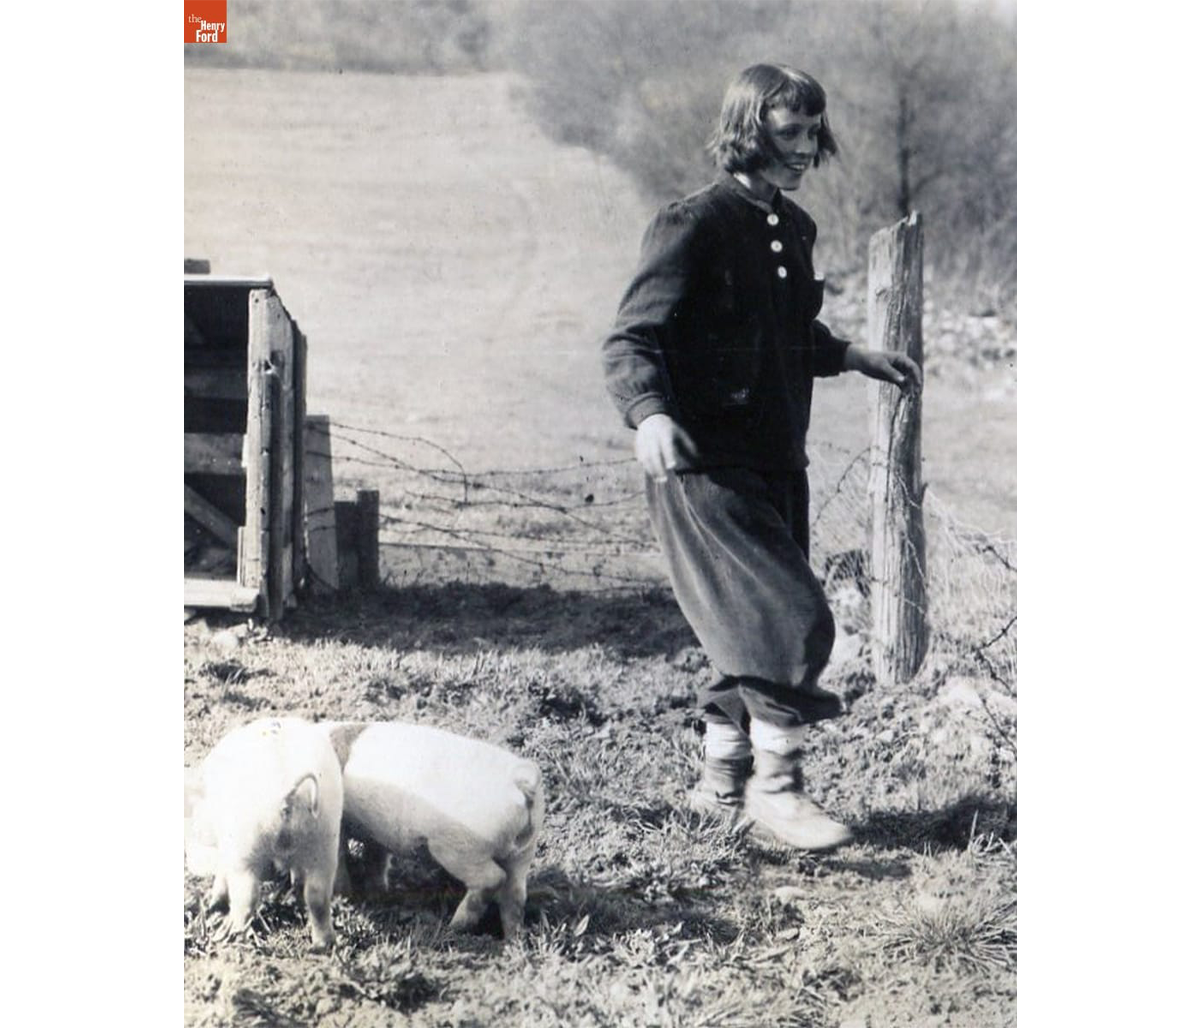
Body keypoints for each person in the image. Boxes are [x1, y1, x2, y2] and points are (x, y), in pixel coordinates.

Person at [602, 63, 921, 851]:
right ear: (749, 130)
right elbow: (631, 337)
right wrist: (648, 415)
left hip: (778, 460)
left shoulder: (793, 228)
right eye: (791, 130)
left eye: (814, 131)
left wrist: (851, 354)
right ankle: (779, 792)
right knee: (788, 618)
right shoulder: (693, 224)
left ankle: (720, 787)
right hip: (702, 466)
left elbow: (780, 333)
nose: (808, 146)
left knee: (735, 631)